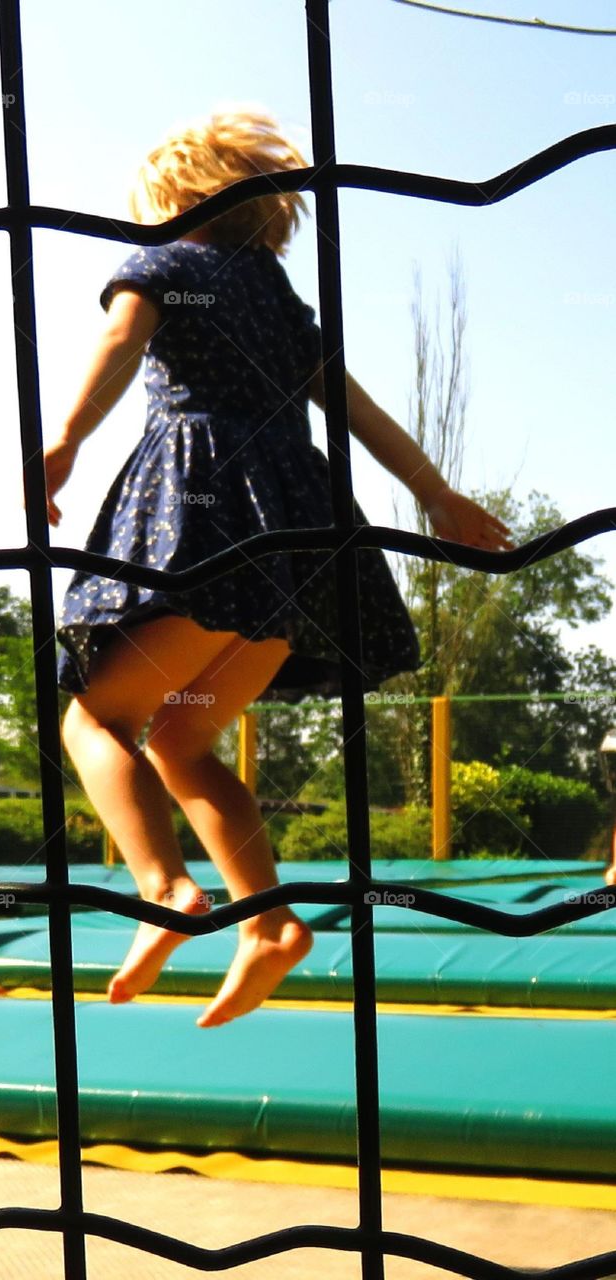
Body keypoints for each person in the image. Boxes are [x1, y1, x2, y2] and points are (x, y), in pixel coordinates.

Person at [44, 110, 512, 1029]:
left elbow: (119, 344)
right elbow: (354, 407)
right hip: (304, 546)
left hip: (204, 519)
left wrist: (63, 440)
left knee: (97, 716)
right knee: (182, 740)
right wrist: (437, 496)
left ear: (176, 203)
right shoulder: (279, 298)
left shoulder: (164, 265)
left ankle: (169, 888)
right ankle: (270, 927)